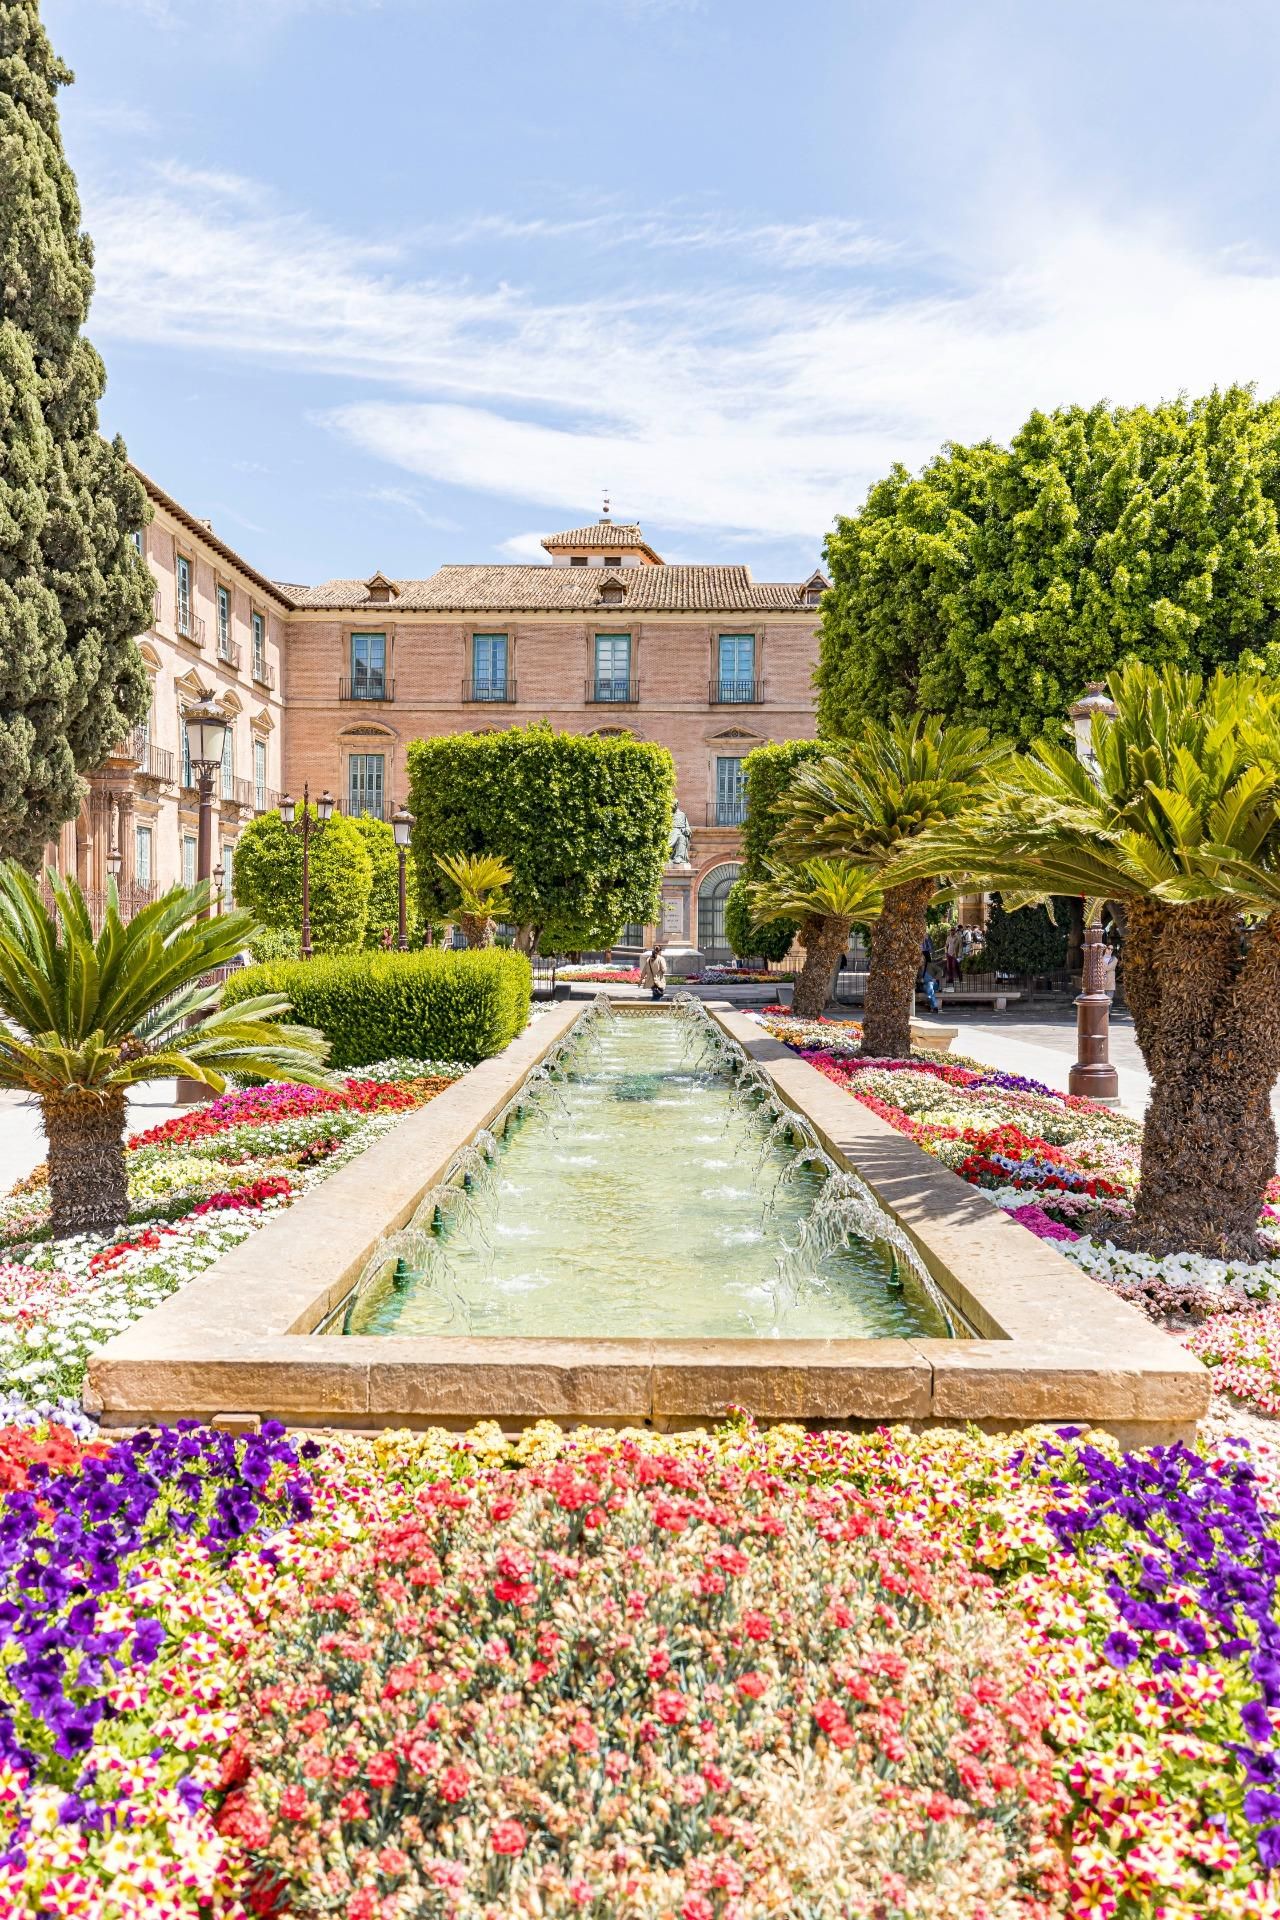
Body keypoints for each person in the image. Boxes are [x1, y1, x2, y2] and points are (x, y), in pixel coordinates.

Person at [919, 936, 941, 1014]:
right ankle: (934, 1006)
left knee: (930, 985)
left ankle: (933, 1005)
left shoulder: (930, 965)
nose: (921, 960)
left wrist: (935, 978)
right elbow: (917, 980)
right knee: (928, 987)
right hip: (924, 985)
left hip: (933, 983)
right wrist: (920, 980)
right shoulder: (918, 969)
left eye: (922, 959)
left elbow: (940, 971)